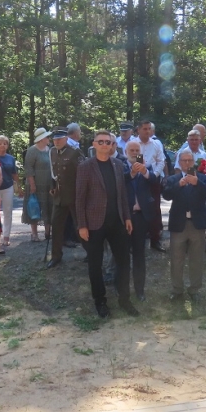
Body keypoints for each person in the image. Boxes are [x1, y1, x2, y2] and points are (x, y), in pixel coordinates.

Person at [76, 130, 137, 318]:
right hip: (94, 224)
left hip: (117, 221)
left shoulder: (118, 165)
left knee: (124, 262)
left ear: (112, 145)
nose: (104, 145)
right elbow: (80, 198)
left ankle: (124, 299)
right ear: (94, 144)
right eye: (100, 141)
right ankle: (100, 301)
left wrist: (127, 217)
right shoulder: (85, 167)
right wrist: (82, 225)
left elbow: (122, 194)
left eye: (107, 142)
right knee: (95, 265)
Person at [164, 148, 206, 302]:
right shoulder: (173, 179)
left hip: (197, 224)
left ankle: (194, 290)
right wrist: (178, 185)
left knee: (196, 259)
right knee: (176, 259)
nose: (187, 163)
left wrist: (197, 183)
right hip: (178, 224)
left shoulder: (201, 177)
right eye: (184, 161)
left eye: (190, 160)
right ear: (179, 163)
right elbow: (166, 195)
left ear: (194, 162)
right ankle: (177, 290)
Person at [123, 138, 160, 301]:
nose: (134, 153)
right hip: (124, 217)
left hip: (140, 217)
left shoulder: (148, 167)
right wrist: (132, 173)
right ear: (125, 152)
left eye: (137, 151)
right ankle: (122, 289)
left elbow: (155, 182)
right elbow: (121, 181)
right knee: (122, 255)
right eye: (131, 150)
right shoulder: (120, 166)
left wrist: (144, 171)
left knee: (139, 255)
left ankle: (140, 290)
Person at [48, 126, 85, 268]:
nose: (56, 142)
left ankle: (91, 252)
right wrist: (52, 187)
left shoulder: (75, 152)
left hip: (74, 195)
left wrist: (82, 193)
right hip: (59, 196)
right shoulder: (52, 152)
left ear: (66, 139)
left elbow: (83, 174)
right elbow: (53, 173)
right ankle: (56, 256)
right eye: (54, 139)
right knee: (56, 226)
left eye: (59, 139)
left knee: (80, 226)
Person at [136, 119, 167, 252]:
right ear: (138, 130)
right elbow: (133, 160)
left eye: (149, 128)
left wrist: (154, 175)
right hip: (138, 179)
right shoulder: (134, 143)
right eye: (145, 129)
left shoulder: (156, 143)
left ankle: (155, 240)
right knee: (138, 209)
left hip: (153, 180)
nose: (148, 131)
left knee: (155, 209)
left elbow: (161, 161)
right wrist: (141, 173)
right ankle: (138, 240)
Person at [23, 127, 53, 243]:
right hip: (35, 184)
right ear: (42, 139)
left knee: (48, 207)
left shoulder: (49, 150)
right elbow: (29, 169)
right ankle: (34, 234)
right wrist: (32, 184)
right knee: (34, 207)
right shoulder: (32, 151)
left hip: (48, 184)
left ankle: (47, 232)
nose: (49, 138)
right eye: (47, 137)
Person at [0, 134, 20, 239]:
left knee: (8, 212)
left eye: (5, 144)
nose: (2, 145)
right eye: (0, 143)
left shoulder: (11, 158)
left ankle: (6, 236)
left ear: (7, 146)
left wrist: (19, 187)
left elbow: (14, 174)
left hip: (8, 187)